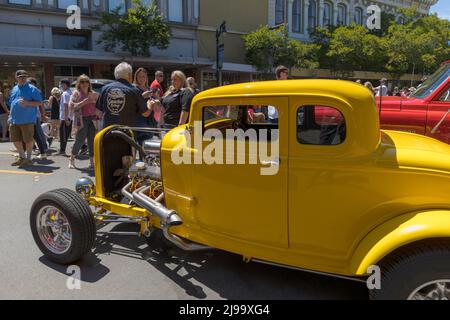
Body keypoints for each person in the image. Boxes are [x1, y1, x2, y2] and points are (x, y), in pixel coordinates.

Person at [96, 62, 152, 128]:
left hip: (108, 132)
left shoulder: (105, 88)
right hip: (126, 133)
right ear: (129, 75)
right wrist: (150, 104)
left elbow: (98, 112)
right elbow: (146, 113)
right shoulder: (134, 90)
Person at [8, 70, 42, 167]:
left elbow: (39, 103)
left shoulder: (33, 89)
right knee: (15, 139)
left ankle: (28, 158)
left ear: (27, 77)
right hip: (14, 119)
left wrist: (27, 103)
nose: (22, 79)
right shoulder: (14, 89)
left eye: (24, 77)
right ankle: (22, 156)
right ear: (16, 78)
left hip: (27, 119)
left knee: (28, 140)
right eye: (20, 77)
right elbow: (12, 103)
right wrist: (10, 116)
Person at [68, 75, 99, 169]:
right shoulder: (76, 94)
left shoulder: (93, 93)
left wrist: (96, 104)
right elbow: (72, 106)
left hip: (93, 119)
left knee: (92, 141)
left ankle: (91, 162)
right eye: (82, 82)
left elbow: (99, 106)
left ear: (89, 83)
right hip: (82, 120)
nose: (85, 84)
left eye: (86, 82)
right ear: (79, 84)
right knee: (80, 140)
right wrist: (86, 101)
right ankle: (71, 159)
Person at [133, 67, 157, 145]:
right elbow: (133, 103)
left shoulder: (149, 89)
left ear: (146, 78)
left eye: (143, 76)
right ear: (136, 77)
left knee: (147, 145)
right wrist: (143, 97)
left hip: (150, 121)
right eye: (139, 76)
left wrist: (157, 101)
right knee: (139, 145)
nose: (142, 78)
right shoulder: (134, 89)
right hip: (139, 121)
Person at [27, 77, 48, 160]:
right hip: (31, 115)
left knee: (37, 132)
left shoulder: (35, 91)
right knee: (35, 133)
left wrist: (43, 114)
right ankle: (36, 148)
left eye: (29, 82)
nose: (27, 83)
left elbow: (41, 104)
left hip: (35, 115)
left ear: (33, 83)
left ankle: (44, 147)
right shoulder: (29, 90)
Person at [58, 79, 72, 156]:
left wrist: (66, 118)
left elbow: (66, 106)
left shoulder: (65, 94)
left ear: (66, 85)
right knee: (68, 134)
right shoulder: (71, 92)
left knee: (63, 134)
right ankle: (83, 146)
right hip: (70, 117)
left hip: (65, 118)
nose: (61, 86)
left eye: (62, 84)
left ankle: (62, 150)